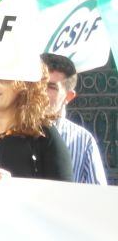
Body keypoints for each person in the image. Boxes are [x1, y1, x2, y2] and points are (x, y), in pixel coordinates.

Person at [41, 53, 107, 185]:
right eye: (38, 83)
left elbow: (97, 198)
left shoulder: (83, 141)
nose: (41, 91)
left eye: (51, 87)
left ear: (68, 97)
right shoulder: (10, 131)